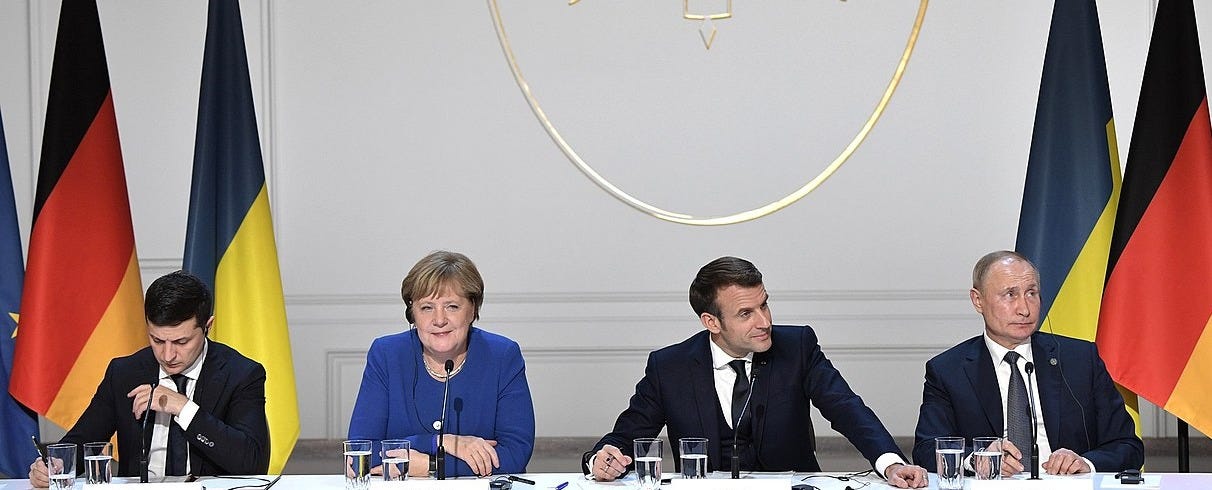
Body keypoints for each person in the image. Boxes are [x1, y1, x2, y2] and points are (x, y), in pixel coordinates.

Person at [583, 256, 928, 488]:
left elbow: (848, 410)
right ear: (711, 322)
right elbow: (625, 437)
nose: (765, 322)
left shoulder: (798, 347)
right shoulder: (669, 367)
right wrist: (602, 458)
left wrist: (890, 463)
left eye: (764, 304)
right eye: (746, 313)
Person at [27, 271, 269, 487]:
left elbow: (252, 463)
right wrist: (54, 465)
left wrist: (183, 408)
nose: (168, 355)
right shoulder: (124, 372)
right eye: (157, 340)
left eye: (181, 342)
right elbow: (83, 441)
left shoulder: (241, 373)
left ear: (207, 326)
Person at [912, 251, 1142, 476]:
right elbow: (926, 450)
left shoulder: (1080, 359)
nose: (1024, 309)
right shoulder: (948, 370)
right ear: (978, 300)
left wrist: (1085, 463)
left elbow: (1128, 446)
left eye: (1031, 293)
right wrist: (978, 458)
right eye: (1010, 295)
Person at [348, 251, 535, 477]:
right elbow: (359, 454)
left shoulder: (502, 355)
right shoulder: (387, 354)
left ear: (473, 309)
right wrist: (441, 442)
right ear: (412, 313)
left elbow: (514, 454)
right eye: (427, 307)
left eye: (452, 307)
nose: (439, 320)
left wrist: (429, 465)